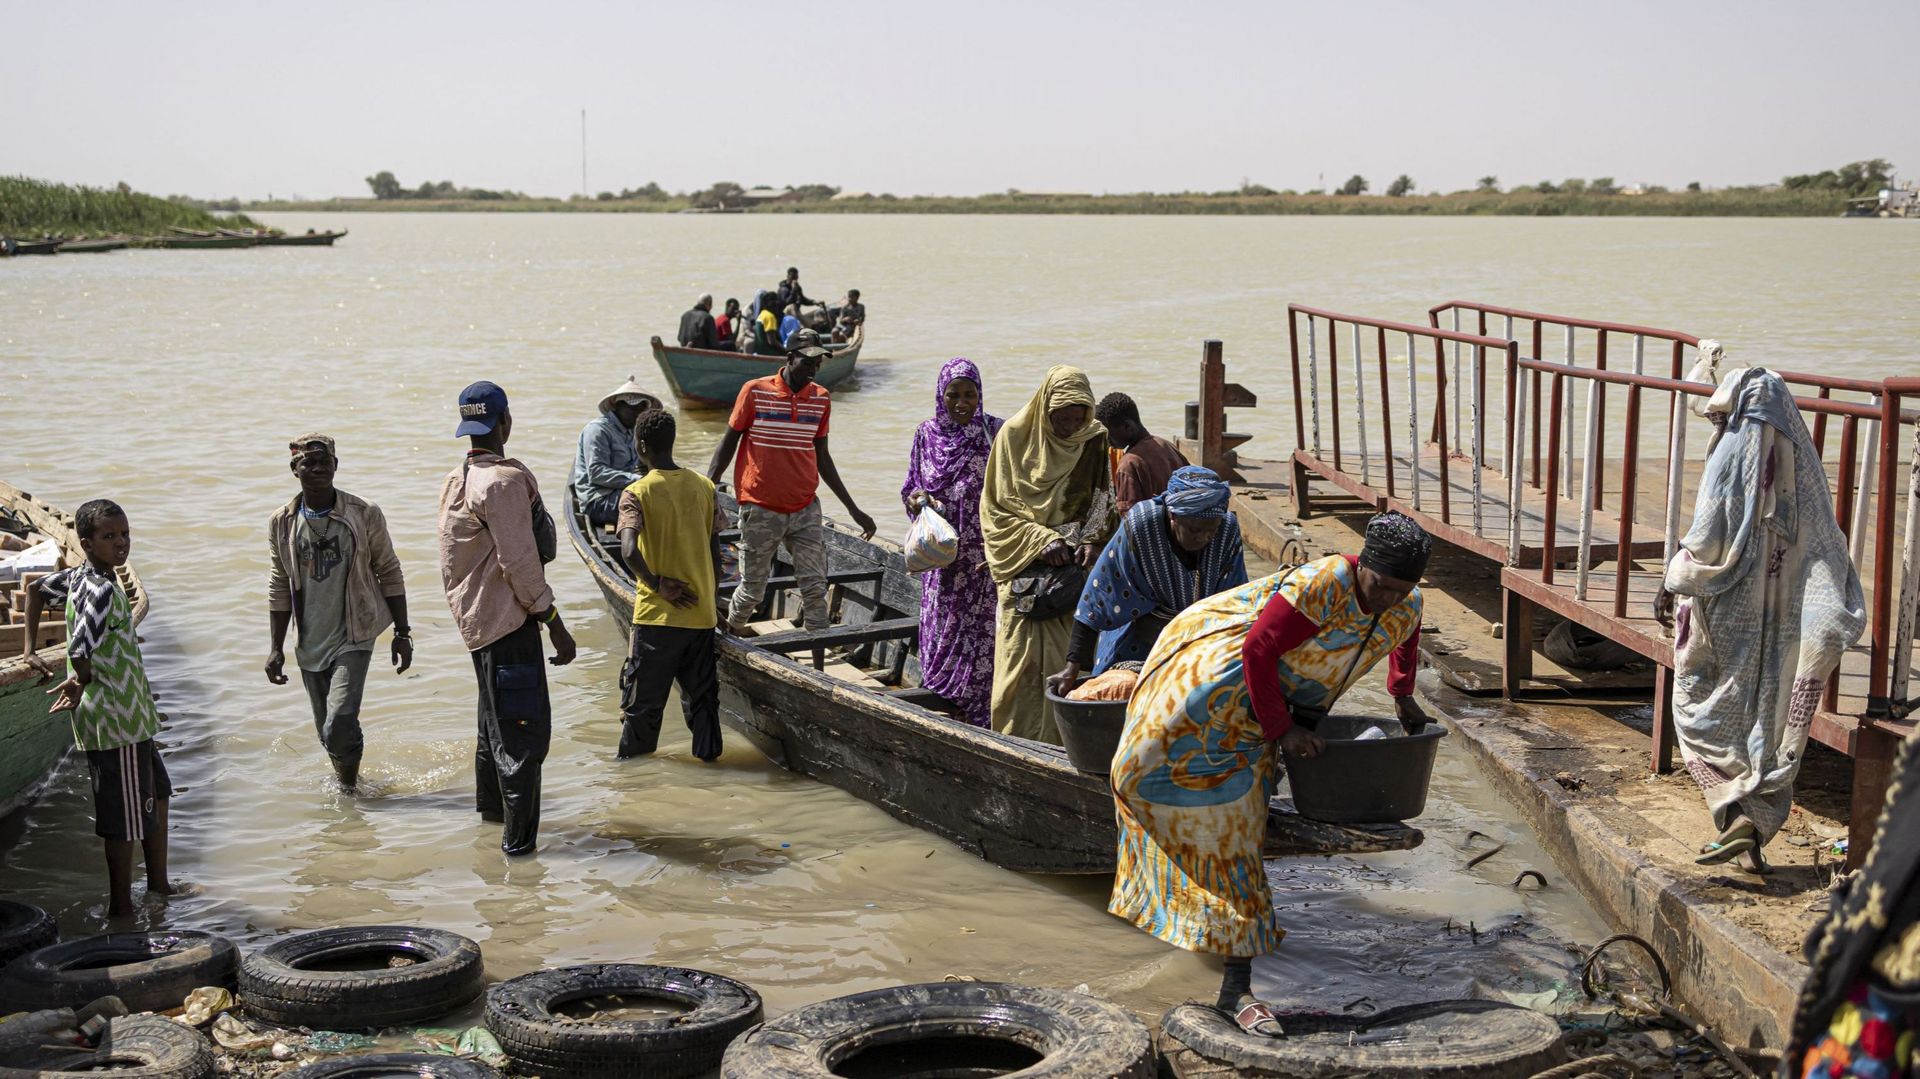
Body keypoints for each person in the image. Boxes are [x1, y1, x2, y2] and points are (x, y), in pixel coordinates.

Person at [1108, 511, 1432, 1037]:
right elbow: (1258, 648)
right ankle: (1234, 983)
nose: (1388, 598)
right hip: (1222, 692)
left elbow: (1404, 635)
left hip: (1275, 705)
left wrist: (1404, 699)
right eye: (1381, 585)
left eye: (1402, 589)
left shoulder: (1405, 603)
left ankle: (1234, 985)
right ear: (1363, 566)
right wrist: (1282, 732)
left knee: (1238, 839)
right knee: (1166, 788)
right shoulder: (1323, 583)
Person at [1657, 368, 1866, 871]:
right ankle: (1749, 834)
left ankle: (1737, 824)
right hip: (1786, 625)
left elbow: (1707, 535)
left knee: (1695, 711)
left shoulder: (1733, 451)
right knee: (1768, 723)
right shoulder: (1805, 466)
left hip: (1726, 618)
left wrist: (1671, 581)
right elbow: (1828, 547)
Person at [438, 380, 576, 856]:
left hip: (480, 629)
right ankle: (519, 857)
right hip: (509, 626)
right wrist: (553, 620)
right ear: (504, 422)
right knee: (522, 742)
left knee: (492, 732)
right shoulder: (502, 483)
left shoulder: (457, 481)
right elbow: (519, 563)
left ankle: (491, 839)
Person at [22, 500, 178, 916]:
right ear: (87, 543)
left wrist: (31, 649)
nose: (121, 543)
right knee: (124, 819)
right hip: (115, 720)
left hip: (133, 717)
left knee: (158, 793)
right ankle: (122, 909)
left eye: (124, 534)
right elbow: (79, 646)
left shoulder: (80, 576)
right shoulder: (103, 589)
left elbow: (35, 590)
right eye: (109, 537)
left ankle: (160, 886)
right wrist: (78, 680)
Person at [265, 434, 412, 790]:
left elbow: (389, 569)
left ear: (335, 465)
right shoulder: (282, 522)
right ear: (294, 470)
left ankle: (348, 795)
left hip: (355, 633)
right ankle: (352, 784)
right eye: (308, 463)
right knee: (327, 733)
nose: (317, 469)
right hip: (310, 641)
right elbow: (279, 584)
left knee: (340, 721)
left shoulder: (363, 513)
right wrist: (276, 648)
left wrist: (402, 632)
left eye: (324, 462)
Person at [708, 329, 877, 637]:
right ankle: (727, 637)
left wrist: (853, 509)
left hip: (805, 508)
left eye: (818, 362)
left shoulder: (821, 399)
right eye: (807, 361)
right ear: (789, 358)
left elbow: (822, 456)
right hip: (760, 507)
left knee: (815, 588)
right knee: (752, 590)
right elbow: (728, 442)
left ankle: (820, 666)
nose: (813, 369)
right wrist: (708, 488)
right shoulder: (754, 391)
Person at [980, 366, 1115, 743]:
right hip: (1024, 574)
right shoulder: (1013, 437)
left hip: (1069, 579)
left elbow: (1103, 500)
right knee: (1018, 671)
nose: (1071, 426)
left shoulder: (1094, 439)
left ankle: (1062, 746)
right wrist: (1040, 538)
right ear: (1045, 410)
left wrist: (1092, 540)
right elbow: (994, 510)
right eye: (1063, 419)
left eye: (1079, 418)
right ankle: (1014, 741)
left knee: (1067, 665)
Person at [1048, 466, 1247, 691]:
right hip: (1139, 642)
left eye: (1211, 530)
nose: (1204, 537)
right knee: (1122, 691)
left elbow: (1238, 602)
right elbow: (1098, 595)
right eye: (1194, 530)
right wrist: (1071, 669)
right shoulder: (1142, 524)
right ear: (1173, 516)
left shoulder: (1227, 529)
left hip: (1201, 641)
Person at [616, 409, 727, 761]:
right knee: (703, 706)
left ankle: (633, 783)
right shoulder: (705, 487)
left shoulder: (636, 492)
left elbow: (629, 550)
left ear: (642, 446)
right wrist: (711, 602)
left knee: (642, 710)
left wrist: (655, 584)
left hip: (656, 621)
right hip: (700, 618)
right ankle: (710, 772)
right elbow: (716, 560)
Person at [901, 358, 1004, 727]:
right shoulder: (925, 434)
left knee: (984, 637)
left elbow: (1013, 493)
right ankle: (945, 703)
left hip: (983, 560)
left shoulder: (996, 432)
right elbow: (911, 486)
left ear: (980, 395)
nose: (962, 403)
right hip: (944, 559)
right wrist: (917, 501)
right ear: (940, 396)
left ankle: (982, 715)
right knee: (945, 630)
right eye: (953, 395)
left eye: (969, 395)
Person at [572, 376, 663, 526]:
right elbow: (596, 473)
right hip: (598, 499)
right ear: (616, 406)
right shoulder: (598, 430)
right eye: (633, 407)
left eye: (642, 408)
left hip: (626, 491)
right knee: (656, 503)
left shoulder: (634, 432)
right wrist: (639, 481)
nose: (638, 413)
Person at [1096, 392, 1189, 515]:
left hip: (1152, 531)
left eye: (1109, 434)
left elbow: (1129, 517)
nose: (1107, 440)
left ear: (1127, 426)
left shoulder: (1128, 464)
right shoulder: (1166, 445)